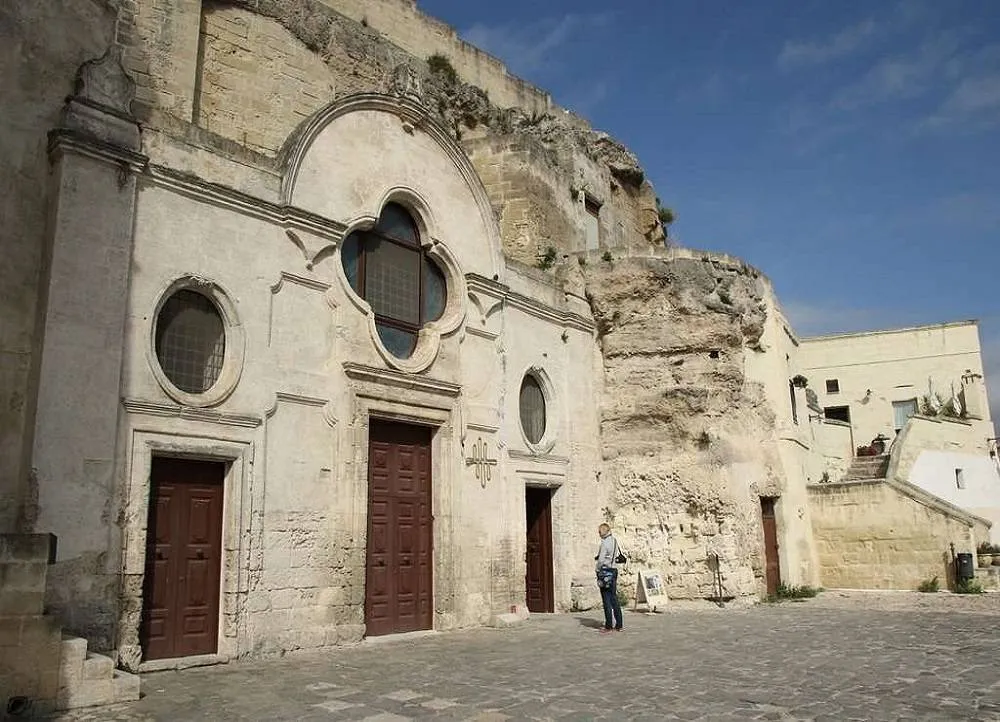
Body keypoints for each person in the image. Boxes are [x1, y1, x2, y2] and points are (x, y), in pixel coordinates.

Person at [594, 523, 623, 633]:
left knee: (606, 598)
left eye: (600, 531)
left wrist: (597, 569)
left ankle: (609, 625)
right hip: (614, 570)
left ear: (604, 531)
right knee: (614, 597)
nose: (599, 533)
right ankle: (619, 624)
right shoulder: (614, 541)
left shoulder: (604, 543)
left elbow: (601, 559)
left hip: (605, 571)